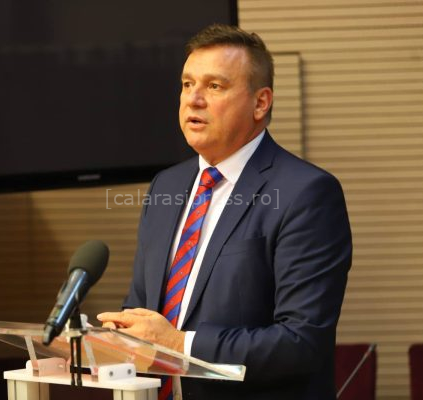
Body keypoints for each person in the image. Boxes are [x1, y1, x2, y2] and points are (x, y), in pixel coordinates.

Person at [98, 24, 352, 400]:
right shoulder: (166, 186)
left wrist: (179, 344)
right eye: (187, 84)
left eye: (214, 86)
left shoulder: (306, 193)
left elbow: (301, 343)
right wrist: (114, 337)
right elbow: (142, 310)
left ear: (260, 103)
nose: (193, 99)